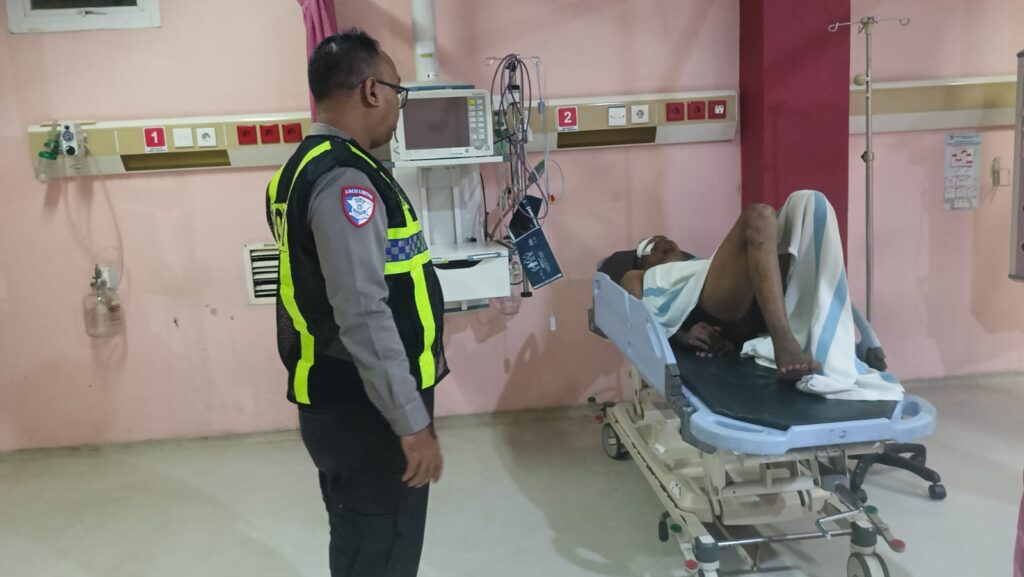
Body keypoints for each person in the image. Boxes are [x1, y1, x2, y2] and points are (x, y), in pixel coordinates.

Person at [265, 29, 447, 577]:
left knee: (361, 540)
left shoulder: (299, 169)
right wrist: (410, 423)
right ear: (371, 90)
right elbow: (362, 313)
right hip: (367, 412)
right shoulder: (347, 182)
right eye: (398, 91)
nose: (397, 105)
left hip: (342, 398)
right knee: (381, 549)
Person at [621, 197, 823, 381]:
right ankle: (784, 344)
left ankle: (826, 334)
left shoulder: (701, 266)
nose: (659, 240)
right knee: (759, 216)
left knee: (807, 202)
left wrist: (728, 338)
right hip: (715, 306)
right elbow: (642, 319)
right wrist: (682, 336)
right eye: (647, 246)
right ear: (643, 264)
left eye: (662, 238)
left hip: (753, 304)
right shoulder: (637, 276)